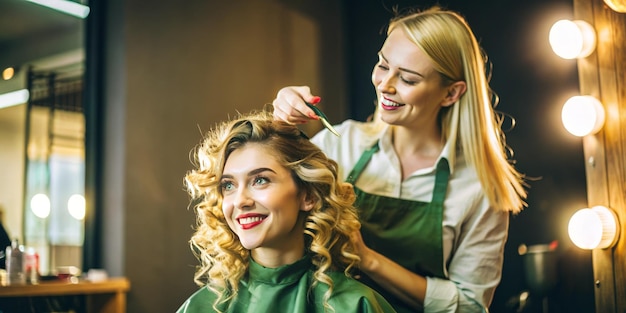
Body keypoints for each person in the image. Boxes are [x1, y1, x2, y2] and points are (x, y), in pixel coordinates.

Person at [271, 6, 527, 313]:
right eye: (383, 65)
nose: (385, 85)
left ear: (451, 94)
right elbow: (266, 196)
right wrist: (281, 128)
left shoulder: (479, 189)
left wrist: (367, 259)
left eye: (407, 78)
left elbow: (470, 306)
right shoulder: (342, 145)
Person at [177, 110, 396, 313]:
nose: (240, 201)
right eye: (228, 185)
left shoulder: (356, 305)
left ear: (308, 195)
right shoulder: (202, 307)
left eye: (260, 180)